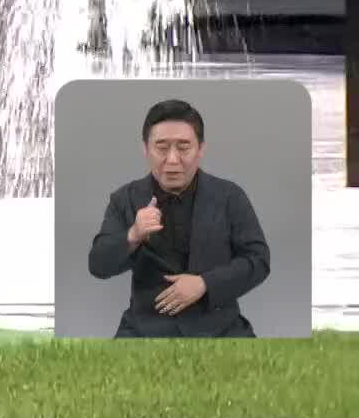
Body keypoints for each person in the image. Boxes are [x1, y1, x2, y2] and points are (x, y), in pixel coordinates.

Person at [87, 98, 271, 337]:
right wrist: (133, 235)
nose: (172, 159)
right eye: (162, 148)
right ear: (145, 149)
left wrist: (204, 284)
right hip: (144, 330)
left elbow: (258, 260)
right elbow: (98, 265)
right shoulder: (125, 199)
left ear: (201, 149)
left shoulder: (230, 196)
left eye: (183, 147)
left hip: (221, 328)